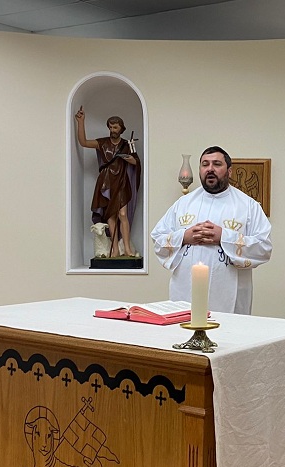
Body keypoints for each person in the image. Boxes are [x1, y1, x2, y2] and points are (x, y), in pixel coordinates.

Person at [151, 146, 272, 314]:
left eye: (217, 164)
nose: (210, 169)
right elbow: (158, 238)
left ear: (229, 171)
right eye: (205, 164)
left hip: (229, 296)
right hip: (186, 294)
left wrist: (224, 237)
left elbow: (264, 247)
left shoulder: (248, 206)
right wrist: (184, 236)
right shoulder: (183, 204)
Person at [75, 107, 141, 258]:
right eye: (110, 127)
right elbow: (83, 142)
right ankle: (115, 249)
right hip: (106, 182)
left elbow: (136, 162)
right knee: (110, 215)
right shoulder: (102, 143)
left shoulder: (127, 144)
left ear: (121, 128)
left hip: (122, 181)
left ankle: (127, 248)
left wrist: (130, 159)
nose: (112, 130)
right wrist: (81, 122)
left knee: (122, 214)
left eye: (115, 127)